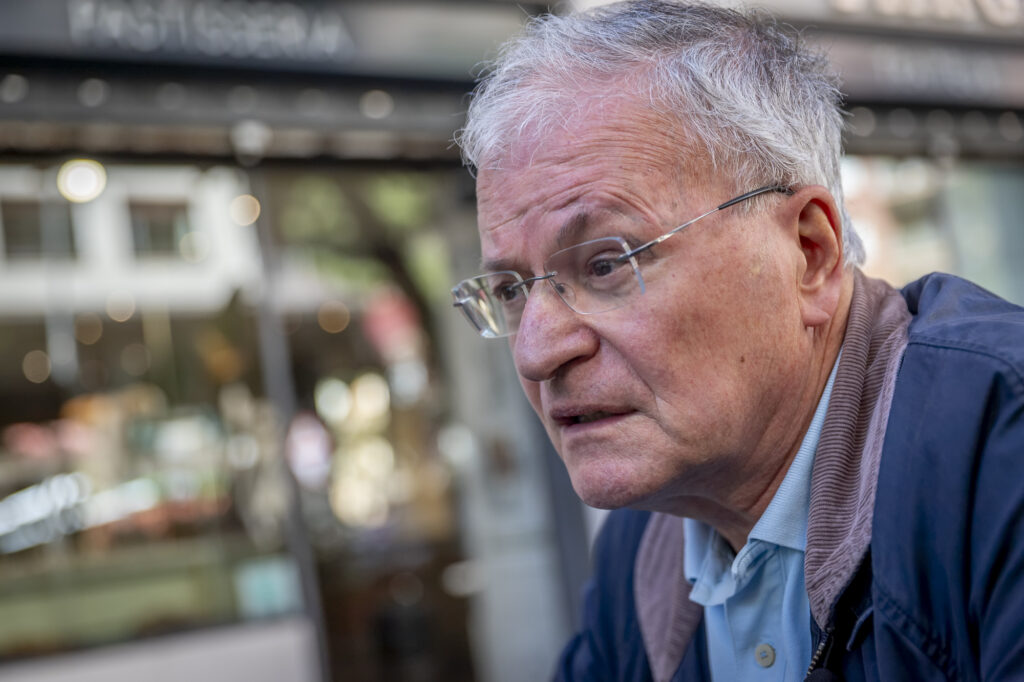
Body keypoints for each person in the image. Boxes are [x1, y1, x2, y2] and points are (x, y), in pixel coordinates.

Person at [450, 1, 1024, 680]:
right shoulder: (643, 548)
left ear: (809, 253)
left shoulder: (998, 446)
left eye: (606, 263)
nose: (536, 352)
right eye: (512, 290)